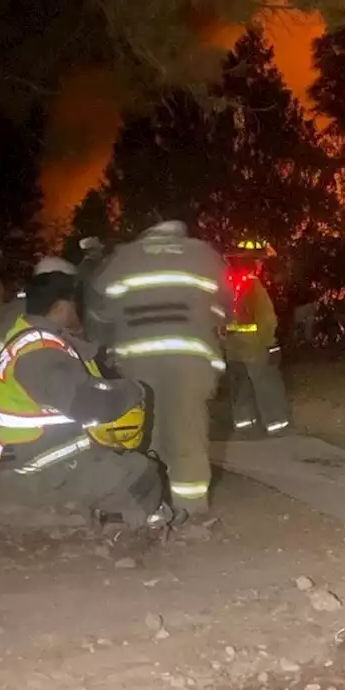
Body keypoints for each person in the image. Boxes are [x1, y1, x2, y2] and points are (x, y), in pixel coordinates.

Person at [0, 271, 167, 530]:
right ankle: (119, 527)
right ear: (61, 307)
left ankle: (77, 512)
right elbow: (88, 404)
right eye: (75, 305)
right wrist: (135, 390)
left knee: (115, 459)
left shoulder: (24, 337)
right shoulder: (41, 353)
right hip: (38, 465)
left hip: (26, 452)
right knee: (143, 472)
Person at [94, 221, 225, 520]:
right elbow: (223, 306)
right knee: (187, 436)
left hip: (137, 362)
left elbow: (101, 311)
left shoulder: (124, 257)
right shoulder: (203, 254)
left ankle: (146, 510)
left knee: (144, 437)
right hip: (191, 360)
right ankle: (191, 515)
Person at [225, 240, 291, 434]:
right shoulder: (253, 285)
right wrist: (271, 344)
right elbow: (266, 318)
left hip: (231, 346)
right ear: (252, 263)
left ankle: (244, 425)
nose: (261, 265)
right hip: (254, 346)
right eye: (259, 261)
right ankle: (276, 424)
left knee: (240, 386)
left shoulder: (227, 286)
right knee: (267, 384)